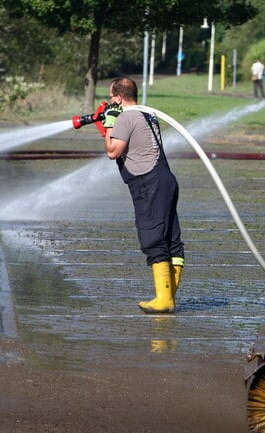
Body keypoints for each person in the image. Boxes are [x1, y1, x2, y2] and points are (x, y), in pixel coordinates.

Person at [102, 77, 185, 314]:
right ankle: (168, 296)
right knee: (171, 239)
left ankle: (164, 299)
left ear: (118, 98)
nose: (110, 102)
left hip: (148, 184)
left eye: (111, 98)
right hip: (165, 180)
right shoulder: (147, 114)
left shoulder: (126, 117)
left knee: (153, 237)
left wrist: (109, 125)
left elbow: (112, 151)